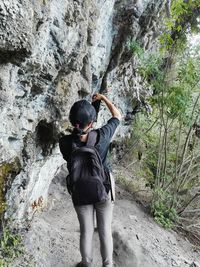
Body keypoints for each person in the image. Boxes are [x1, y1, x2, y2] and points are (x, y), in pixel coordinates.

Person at [59, 93, 122, 267]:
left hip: (80, 191)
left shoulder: (64, 143)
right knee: (104, 231)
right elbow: (117, 116)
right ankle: (107, 265)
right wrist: (103, 99)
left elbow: (79, 137)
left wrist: (89, 114)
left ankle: (86, 263)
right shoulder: (102, 135)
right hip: (104, 188)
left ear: (72, 122)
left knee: (86, 232)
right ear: (92, 123)